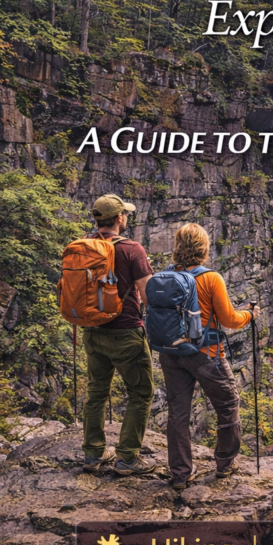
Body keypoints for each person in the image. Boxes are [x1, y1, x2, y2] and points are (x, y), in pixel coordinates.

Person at [159, 223, 257, 491]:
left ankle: (180, 474)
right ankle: (225, 463)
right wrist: (249, 314)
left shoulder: (165, 276)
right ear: (204, 247)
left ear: (177, 245)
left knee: (178, 413)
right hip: (206, 354)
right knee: (227, 405)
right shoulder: (210, 278)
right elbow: (229, 320)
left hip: (171, 353)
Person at [81, 194, 156, 476]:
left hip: (92, 330)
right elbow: (149, 297)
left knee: (96, 393)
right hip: (125, 332)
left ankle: (93, 452)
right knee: (141, 392)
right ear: (119, 218)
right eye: (125, 214)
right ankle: (127, 457)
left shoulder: (84, 246)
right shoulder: (132, 249)